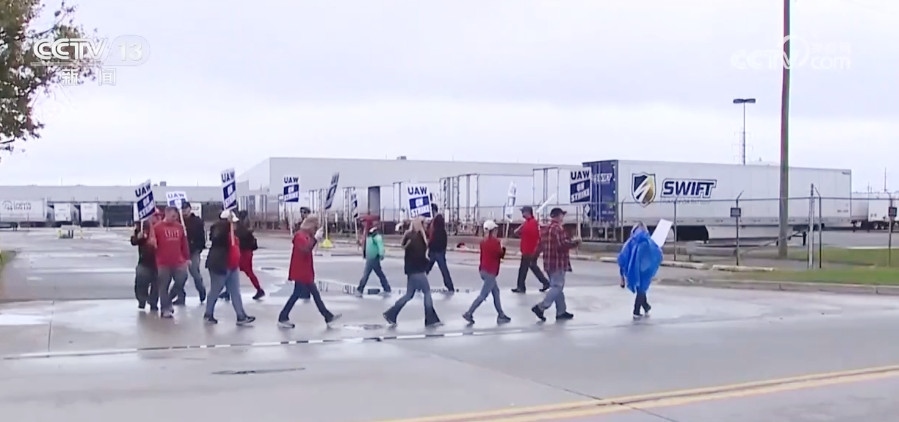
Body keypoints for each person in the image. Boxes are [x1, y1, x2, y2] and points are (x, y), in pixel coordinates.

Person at [278, 215, 341, 328]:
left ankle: (327, 316)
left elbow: (309, 247)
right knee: (304, 294)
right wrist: (315, 239)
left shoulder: (305, 235)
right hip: (301, 271)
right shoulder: (300, 236)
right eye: (315, 227)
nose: (315, 230)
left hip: (304, 271)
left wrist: (315, 239)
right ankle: (283, 317)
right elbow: (306, 249)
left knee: (306, 294)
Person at [383, 217, 442, 327]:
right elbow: (418, 256)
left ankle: (391, 313)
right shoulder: (418, 238)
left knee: (409, 295)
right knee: (427, 293)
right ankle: (430, 318)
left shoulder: (410, 236)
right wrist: (427, 262)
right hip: (418, 270)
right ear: (419, 225)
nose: (426, 226)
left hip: (411, 270)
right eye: (424, 224)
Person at [203, 210, 256, 325]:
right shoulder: (219, 232)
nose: (235, 224)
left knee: (235, 291)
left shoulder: (234, 234)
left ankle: (241, 316)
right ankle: (208, 314)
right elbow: (217, 237)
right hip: (220, 265)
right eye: (233, 222)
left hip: (233, 266)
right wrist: (227, 225)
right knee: (215, 290)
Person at [531, 207, 579, 322]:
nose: (563, 217)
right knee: (557, 286)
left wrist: (534, 257)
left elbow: (539, 245)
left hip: (548, 262)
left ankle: (561, 311)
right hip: (558, 262)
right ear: (559, 216)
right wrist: (575, 243)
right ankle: (541, 307)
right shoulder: (558, 229)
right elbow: (562, 245)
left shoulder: (545, 229)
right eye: (562, 215)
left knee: (557, 288)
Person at [463, 220, 511, 324]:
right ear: (493, 230)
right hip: (491, 271)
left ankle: (501, 314)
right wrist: (503, 246)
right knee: (483, 295)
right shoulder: (495, 242)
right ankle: (469, 313)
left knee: (496, 292)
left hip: (483, 270)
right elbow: (500, 254)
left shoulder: (483, 242)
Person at [147, 206, 190, 319]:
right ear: (166, 213)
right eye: (173, 215)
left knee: (182, 279)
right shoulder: (157, 228)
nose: (174, 218)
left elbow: (184, 243)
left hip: (178, 261)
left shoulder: (180, 227)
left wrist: (187, 257)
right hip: (163, 262)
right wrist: (152, 244)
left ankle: (169, 299)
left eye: (176, 216)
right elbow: (151, 246)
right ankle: (165, 309)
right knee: (163, 285)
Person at [618, 222, 663, 320]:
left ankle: (645, 307)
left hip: (633, 269)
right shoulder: (647, 241)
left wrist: (622, 275)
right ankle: (637, 310)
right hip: (645, 270)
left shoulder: (631, 241)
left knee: (640, 289)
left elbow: (622, 256)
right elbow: (657, 253)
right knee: (642, 289)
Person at [170, 201, 207, 305]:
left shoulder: (197, 221)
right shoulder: (178, 222)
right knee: (180, 275)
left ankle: (201, 290)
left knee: (195, 272)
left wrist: (198, 248)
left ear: (190, 209)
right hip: (181, 252)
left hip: (193, 251)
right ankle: (180, 296)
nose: (184, 211)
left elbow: (201, 237)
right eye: (182, 209)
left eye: (186, 209)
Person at [512, 205, 550, 294]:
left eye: (523, 212)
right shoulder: (527, 223)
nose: (522, 214)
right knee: (530, 267)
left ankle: (521, 287)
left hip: (531, 250)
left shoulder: (533, 223)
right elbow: (517, 232)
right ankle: (545, 283)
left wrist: (536, 249)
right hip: (526, 249)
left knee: (524, 268)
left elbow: (536, 236)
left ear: (527, 212)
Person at [235, 210, 265, 300]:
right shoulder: (246, 227)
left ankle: (259, 289)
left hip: (243, 253)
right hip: (246, 252)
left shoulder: (241, 228)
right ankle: (259, 289)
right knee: (244, 271)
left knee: (233, 271)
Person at [426, 204, 455, 292]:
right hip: (435, 249)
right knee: (437, 268)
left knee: (436, 268)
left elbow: (436, 235)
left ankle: (450, 286)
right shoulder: (434, 221)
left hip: (437, 249)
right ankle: (449, 286)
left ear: (433, 210)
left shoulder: (438, 220)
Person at [131, 219, 158, 311]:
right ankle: (142, 300)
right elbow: (134, 241)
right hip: (144, 260)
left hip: (158, 260)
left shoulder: (160, 226)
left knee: (157, 284)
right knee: (141, 282)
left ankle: (153, 302)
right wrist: (138, 237)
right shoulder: (142, 226)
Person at [356, 226, 391, 296]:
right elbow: (367, 244)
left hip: (372, 257)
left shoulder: (375, 236)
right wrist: (360, 243)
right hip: (372, 257)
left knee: (366, 274)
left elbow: (380, 245)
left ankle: (360, 289)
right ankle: (387, 288)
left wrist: (381, 254)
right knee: (380, 274)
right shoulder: (371, 236)